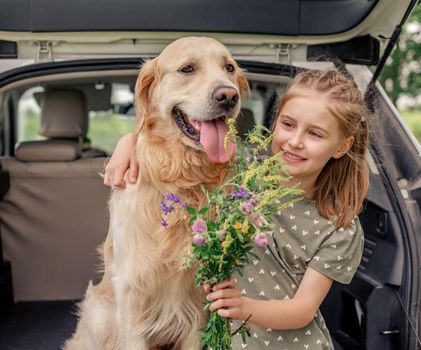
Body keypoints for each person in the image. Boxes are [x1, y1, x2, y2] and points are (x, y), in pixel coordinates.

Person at [104, 68, 368, 350]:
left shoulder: (339, 225)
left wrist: (242, 307)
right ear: (274, 121)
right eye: (288, 125)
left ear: (342, 146)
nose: (295, 141)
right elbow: (173, 152)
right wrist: (129, 142)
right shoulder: (240, 174)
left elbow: (303, 309)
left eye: (314, 133)